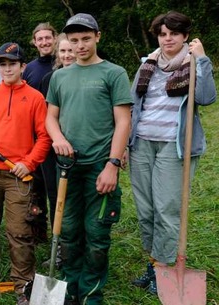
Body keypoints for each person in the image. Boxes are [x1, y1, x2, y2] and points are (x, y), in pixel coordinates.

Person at [45, 13, 132, 305]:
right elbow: (50, 117)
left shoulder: (113, 73)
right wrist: (58, 138)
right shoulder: (60, 76)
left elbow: (123, 121)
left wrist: (113, 164)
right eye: (74, 40)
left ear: (97, 36)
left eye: (85, 39)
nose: (80, 45)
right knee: (68, 231)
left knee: (96, 234)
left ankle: (91, 295)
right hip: (68, 167)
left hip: (100, 166)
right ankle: (69, 291)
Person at [128, 11, 216, 295]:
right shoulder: (147, 64)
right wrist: (126, 143)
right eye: (163, 34)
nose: (168, 39)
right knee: (146, 210)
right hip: (142, 144)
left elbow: (206, 97)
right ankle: (154, 264)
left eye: (174, 34)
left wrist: (201, 59)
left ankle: (165, 269)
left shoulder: (193, 64)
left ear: (185, 36)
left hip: (173, 146)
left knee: (166, 209)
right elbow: (133, 105)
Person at [0, 43, 51, 305]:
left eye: (12, 64)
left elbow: (43, 137)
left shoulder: (36, 98)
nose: (7, 68)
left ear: (22, 67)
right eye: (3, 64)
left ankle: (24, 287)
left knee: (20, 231)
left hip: (18, 175)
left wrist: (29, 163)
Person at [38, 32, 75, 269]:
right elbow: (45, 117)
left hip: (81, 149)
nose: (67, 55)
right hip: (53, 150)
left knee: (77, 198)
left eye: (70, 50)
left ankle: (77, 247)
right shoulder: (50, 79)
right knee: (56, 198)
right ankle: (60, 248)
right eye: (63, 51)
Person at [23, 22, 58, 244]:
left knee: (55, 188)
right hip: (33, 136)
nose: (44, 42)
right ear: (34, 42)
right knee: (34, 189)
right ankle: (38, 233)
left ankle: (59, 233)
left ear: (55, 38)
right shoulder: (30, 69)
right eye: (40, 38)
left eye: (48, 37)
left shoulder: (63, 63)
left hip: (56, 136)